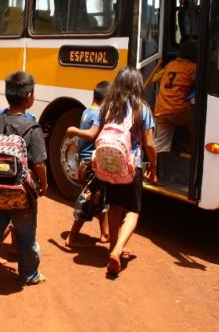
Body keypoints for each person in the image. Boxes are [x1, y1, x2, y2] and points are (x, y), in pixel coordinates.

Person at [0, 71, 49, 291]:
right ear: (29, 96)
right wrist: (43, 184)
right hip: (22, 193)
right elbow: (39, 163)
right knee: (26, 234)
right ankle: (29, 274)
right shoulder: (32, 128)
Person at [98, 66, 157, 276]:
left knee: (115, 206)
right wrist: (154, 166)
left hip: (108, 164)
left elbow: (98, 132)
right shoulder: (142, 109)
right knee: (133, 210)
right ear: (137, 85)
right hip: (131, 166)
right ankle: (118, 249)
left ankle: (112, 247)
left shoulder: (107, 106)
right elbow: (149, 143)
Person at [64, 80, 111, 247]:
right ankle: (72, 237)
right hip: (90, 164)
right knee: (88, 199)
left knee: (101, 197)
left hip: (85, 163)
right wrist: (74, 131)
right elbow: (91, 135)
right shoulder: (98, 114)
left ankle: (105, 233)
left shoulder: (86, 111)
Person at [154, 41, 197, 162]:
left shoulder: (170, 65)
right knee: (197, 120)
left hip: (161, 109)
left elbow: (155, 78)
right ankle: (190, 149)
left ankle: (157, 169)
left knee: (161, 144)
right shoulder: (193, 68)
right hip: (180, 110)